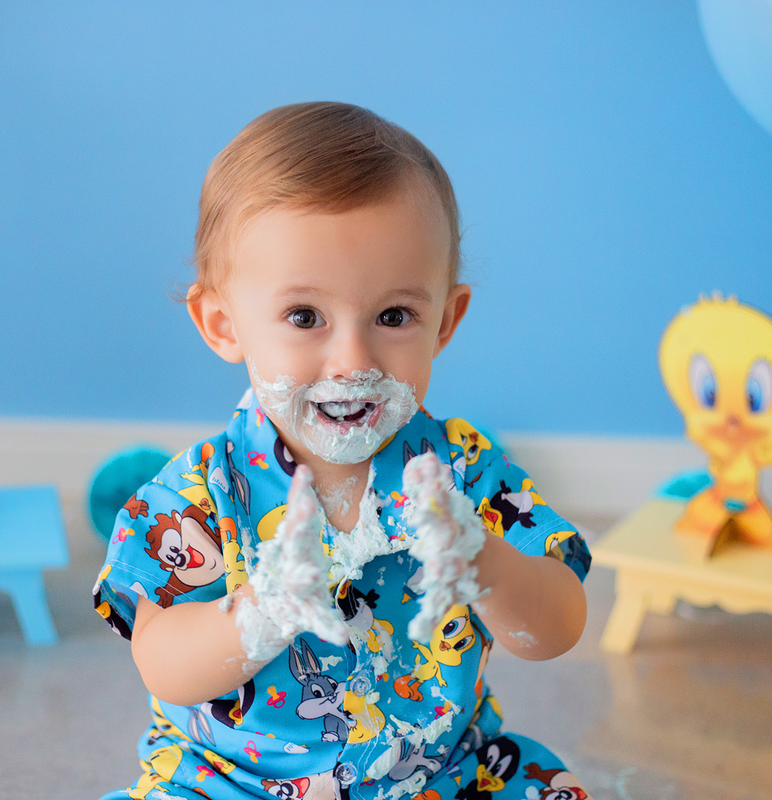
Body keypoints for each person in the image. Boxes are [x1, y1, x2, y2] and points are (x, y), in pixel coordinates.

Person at [93, 102, 591, 800]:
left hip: (435, 775)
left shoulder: (459, 472)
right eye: (305, 317)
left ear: (445, 322)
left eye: (393, 316)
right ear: (223, 324)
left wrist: (487, 564)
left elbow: (558, 627)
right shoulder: (201, 492)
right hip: (232, 785)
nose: (353, 361)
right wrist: (263, 610)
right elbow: (162, 664)